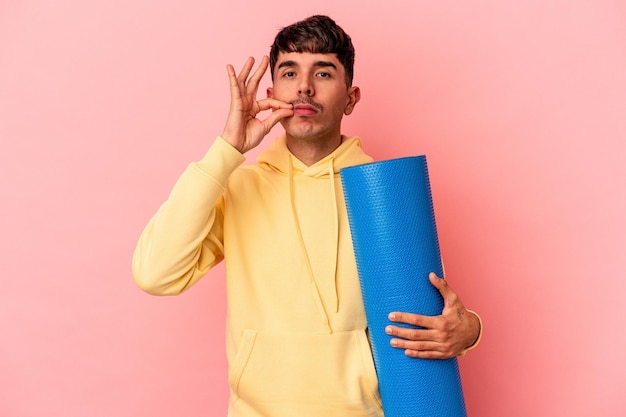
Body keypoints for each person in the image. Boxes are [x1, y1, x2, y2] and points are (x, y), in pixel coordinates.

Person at [133, 15, 482, 417]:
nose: (304, 86)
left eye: (323, 71)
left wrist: (470, 329)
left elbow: (428, 309)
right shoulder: (236, 187)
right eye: (289, 71)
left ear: (350, 98)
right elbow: (154, 273)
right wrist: (226, 149)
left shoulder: (382, 195)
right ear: (272, 91)